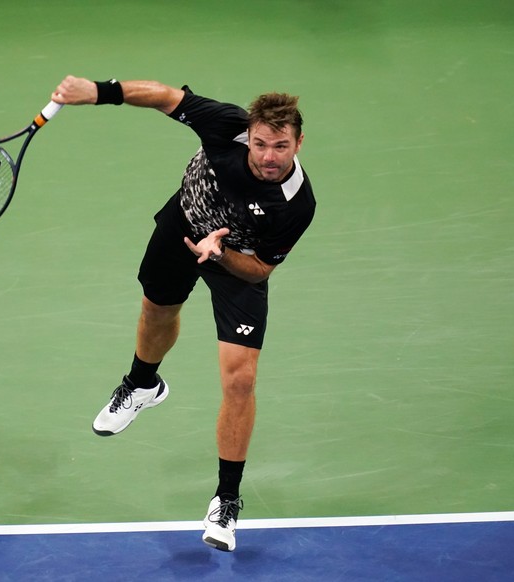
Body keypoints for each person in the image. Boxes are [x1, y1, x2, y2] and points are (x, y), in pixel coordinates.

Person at [51, 76, 316, 552]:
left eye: (280, 146)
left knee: (240, 380)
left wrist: (219, 254)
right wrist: (98, 91)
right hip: (183, 225)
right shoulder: (226, 127)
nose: (269, 156)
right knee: (157, 309)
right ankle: (142, 384)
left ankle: (226, 501)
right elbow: (166, 97)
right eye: (260, 143)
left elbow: (259, 271)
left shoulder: (296, 204)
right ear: (248, 135)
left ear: (299, 143)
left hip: (238, 262)